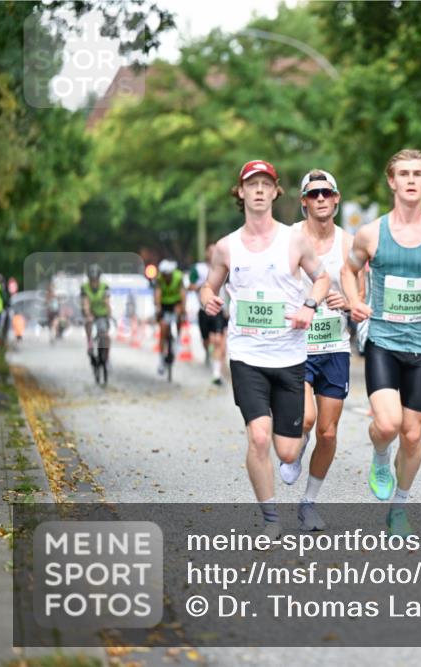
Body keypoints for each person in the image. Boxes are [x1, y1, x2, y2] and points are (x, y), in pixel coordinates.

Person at [199, 160, 329, 538]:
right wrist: (208, 299)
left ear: (275, 192)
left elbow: (322, 279)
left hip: (289, 356)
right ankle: (271, 519)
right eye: (251, 184)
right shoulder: (226, 247)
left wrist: (309, 306)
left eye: (265, 184)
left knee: (287, 452)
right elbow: (208, 286)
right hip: (247, 356)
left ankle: (295, 448)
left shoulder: (294, 240)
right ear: (240, 192)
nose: (258, 190)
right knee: (258, 436)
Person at [342, 149, 421, 537]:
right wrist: (355, 301)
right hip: (383, 339)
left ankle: (399, 509)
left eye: (417, 174)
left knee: (412, 435)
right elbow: (348, 268)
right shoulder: (371, 234)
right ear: (392, 181)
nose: (410, 180)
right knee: (388, 424)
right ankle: (381, 456)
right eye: (403, 174)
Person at [278, 169, 357, 531]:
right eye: (314, 194)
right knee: (306, 418)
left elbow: (361, 296)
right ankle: (296, 443)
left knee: (328, 432)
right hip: (297, 345)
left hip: (335, 346)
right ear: (304, 202)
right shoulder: (289, 238)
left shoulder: (349, 243)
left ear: (336, 199)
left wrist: (349, 302)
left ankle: (308, 503)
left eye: (326, 192)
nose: (321, 198)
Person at [191, 244, 230, 385]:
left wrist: (228, 309)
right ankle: (208, 353)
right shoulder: (198, 268)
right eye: (211, 251)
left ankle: (216, 374)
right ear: (206, 253)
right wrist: (205, 286)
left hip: (219, 310)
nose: (214, 254)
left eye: (216, 251)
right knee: (207, 341)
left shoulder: (226, 266)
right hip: (204, 310)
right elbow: (190, 286)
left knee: (218, 340)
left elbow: (231, 288)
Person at [154, 259, 186, 375]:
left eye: (167, 275)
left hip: (176, 302)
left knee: (179, 314)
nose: (165, 277)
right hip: (164, 304)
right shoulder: (159, 278)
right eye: (163, 275)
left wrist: (183, 308)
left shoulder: (178, 277)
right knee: (163, 330)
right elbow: (157, 294)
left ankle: (178, 338)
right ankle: (161, 360)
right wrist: (158, 307)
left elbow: (183, 293)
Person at [81, 264, 111, 366]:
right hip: (90, 313)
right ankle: (90, 344)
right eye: (92, 280)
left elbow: (107, 302)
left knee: (105, 336)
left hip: (102, 314)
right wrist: (88, 314)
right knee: (88, 323)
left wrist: (109, 315)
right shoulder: (85, 287)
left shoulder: (104, 287)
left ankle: (107, 357)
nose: (94, 282)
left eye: (95, 279)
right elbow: (85, 303)